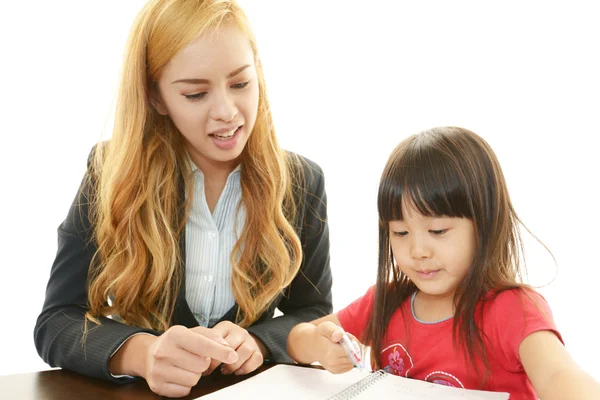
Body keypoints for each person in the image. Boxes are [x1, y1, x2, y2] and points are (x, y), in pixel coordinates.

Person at [34, 0, 332, 397]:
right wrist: (144, 352)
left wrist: (260, 342)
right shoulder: (112, 173)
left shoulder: (301, 182)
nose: (227, 112)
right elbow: (57, 321)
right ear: (157, 98)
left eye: (241, 84)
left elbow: (313, 314)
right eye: (195, 94)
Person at [287, 127, 600, 399]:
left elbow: (558, 376)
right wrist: (319, 346)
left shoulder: (513, 310)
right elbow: (296, 339)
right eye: (400, 232)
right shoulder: (386, 300)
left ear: (485, 224)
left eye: (437, 231)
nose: (418, 250)